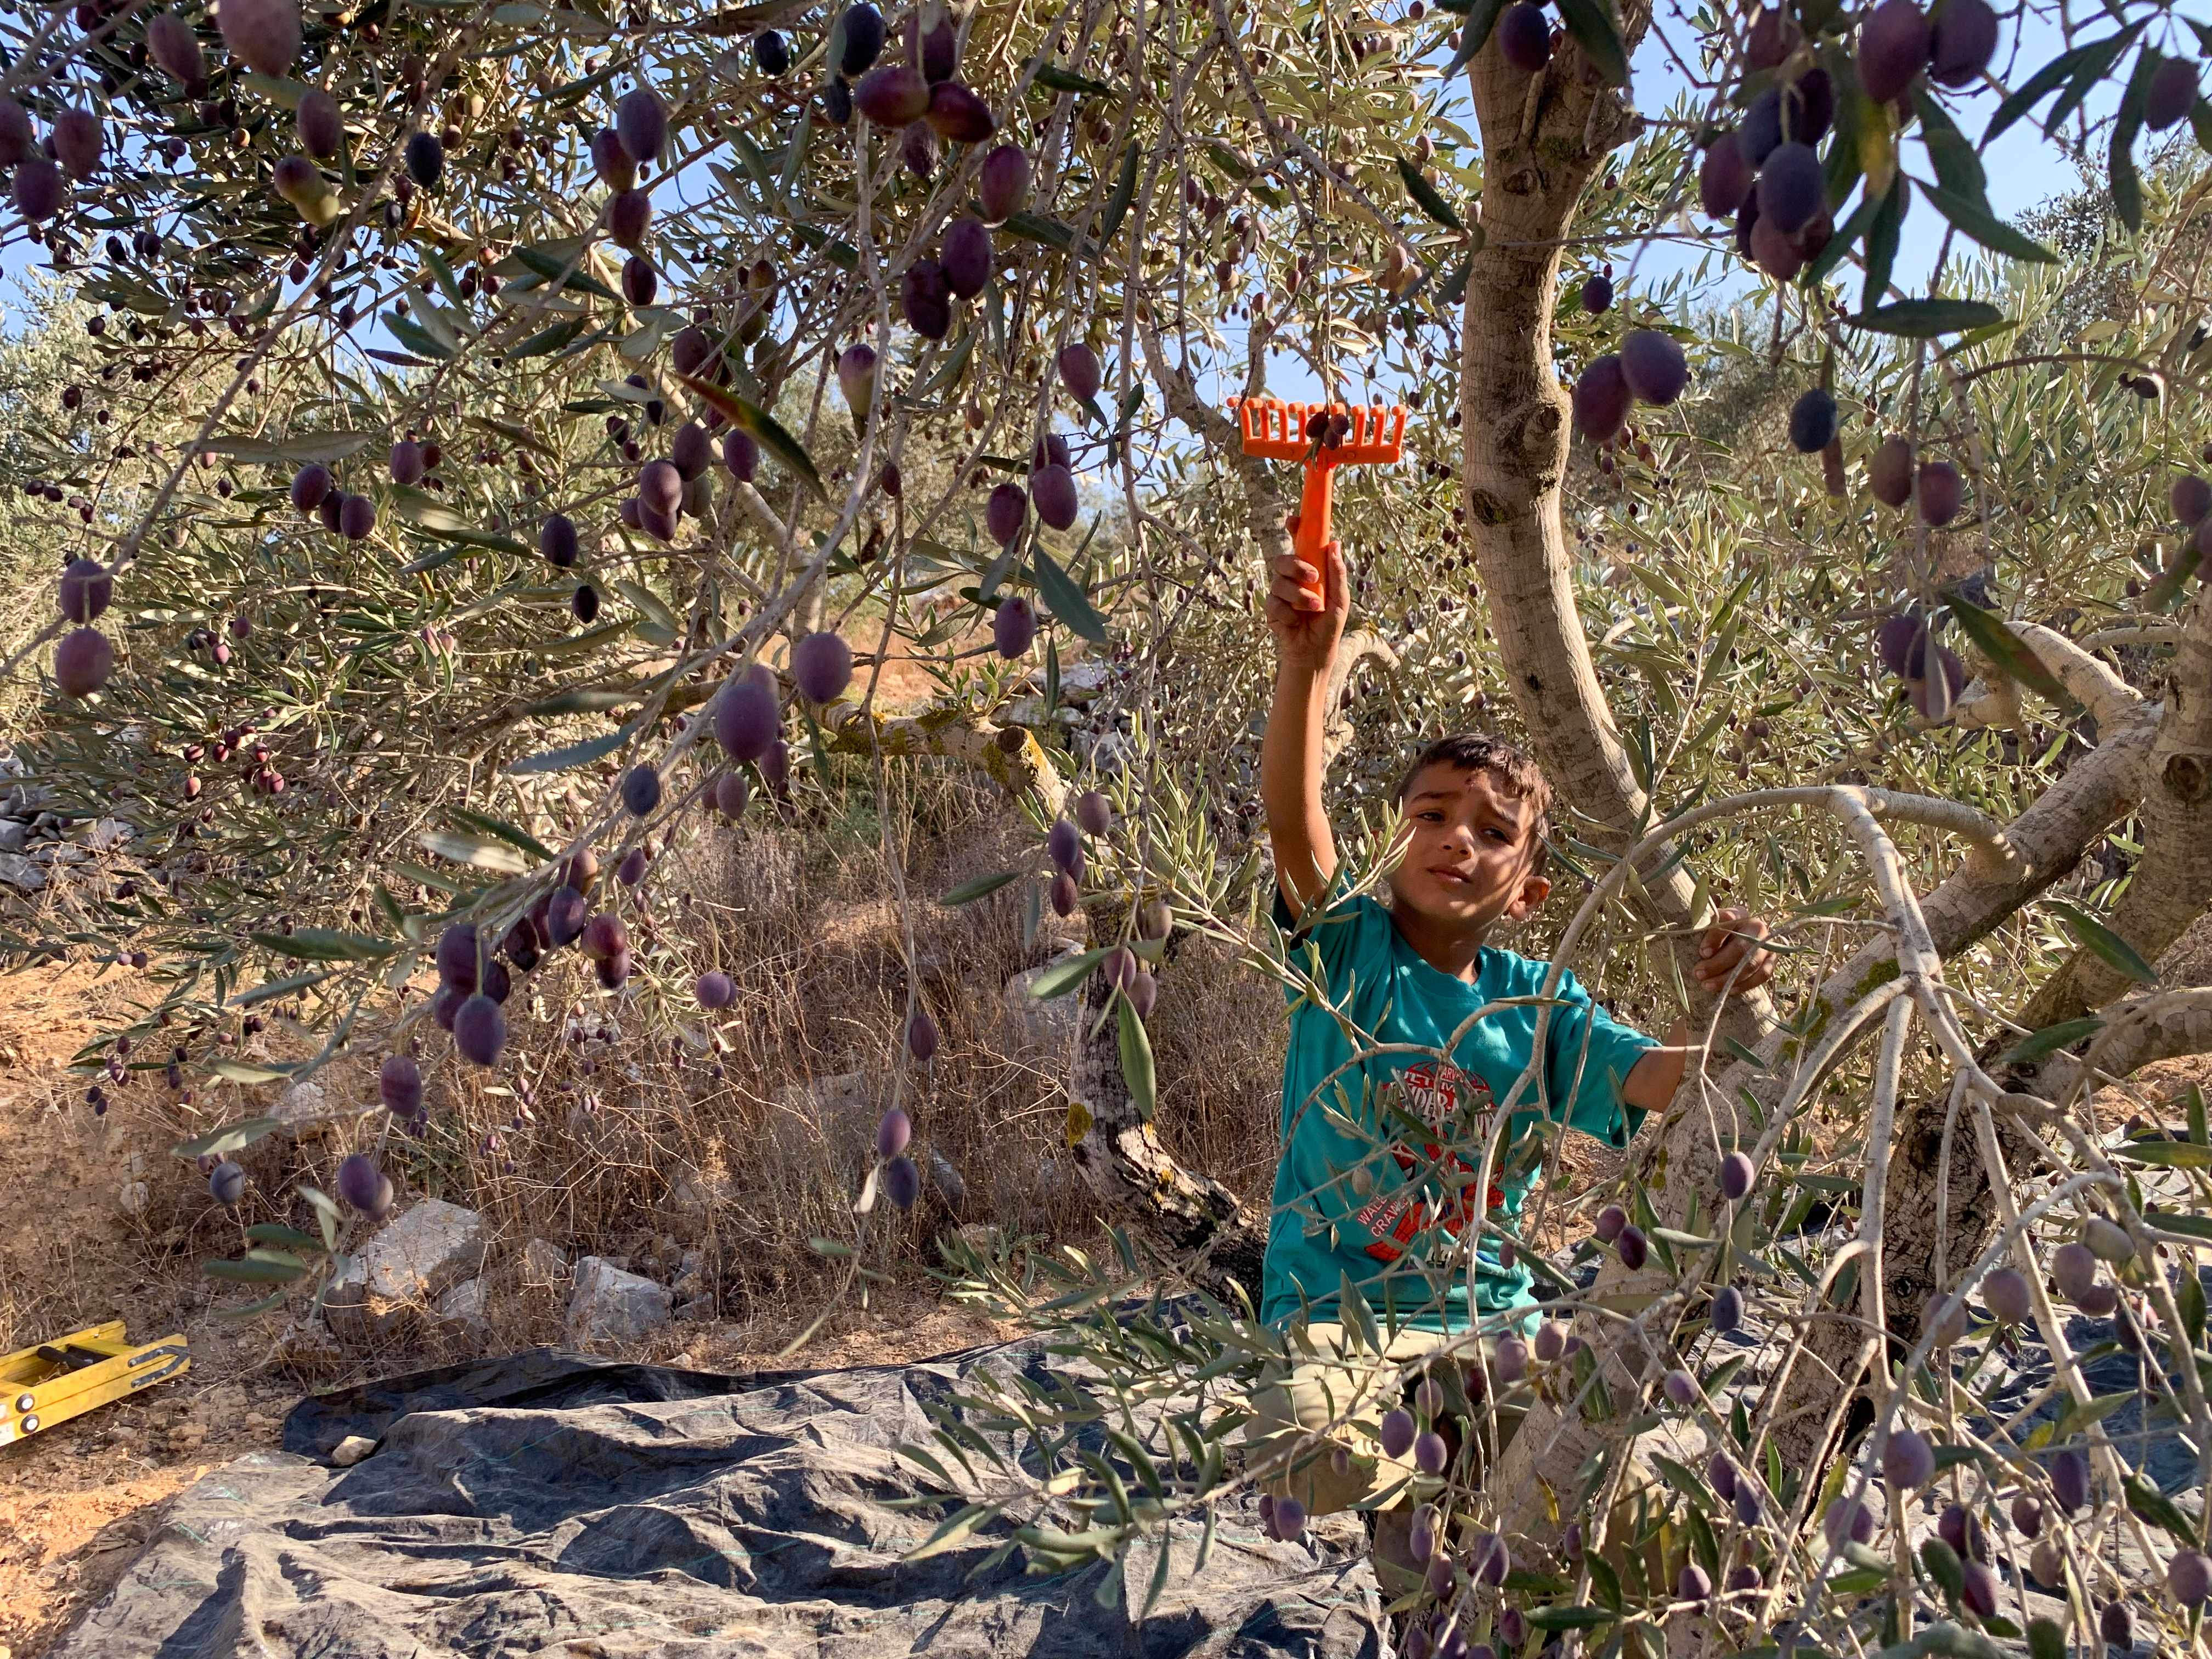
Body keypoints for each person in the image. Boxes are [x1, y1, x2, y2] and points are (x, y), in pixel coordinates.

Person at [1245, 527, 1776, 1576]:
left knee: (1589, 1490)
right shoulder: (1348, 950)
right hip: (1334, 1318)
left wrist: (1718, 997)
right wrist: (1307, 666)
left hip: (1492, 1317)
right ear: (1393, 843)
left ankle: (1469, 1545)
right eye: (1431, 816)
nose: (1456, 840)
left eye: (1492, 833)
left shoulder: (1540, 1006)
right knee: (1313, 1460)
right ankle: (1436, 1500)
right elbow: (1294, 826)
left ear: (1528, 894)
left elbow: (1654, 1081)